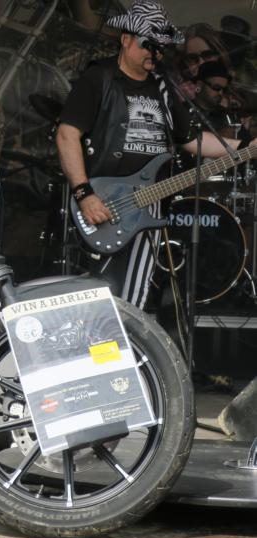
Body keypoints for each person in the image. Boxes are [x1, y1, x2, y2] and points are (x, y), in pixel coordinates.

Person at [56, 0, 256, 309]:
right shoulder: (100, 78)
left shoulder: (162, 88)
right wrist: (84, 194)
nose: (154, 53)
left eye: (160, 47)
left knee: (132, 294)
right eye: (148, 44)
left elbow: (191, 141)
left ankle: (125, 336)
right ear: (126, 40)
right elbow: (67, 134)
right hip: (103, 200)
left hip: (148, 205)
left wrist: (246, 148)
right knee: (96, 291)